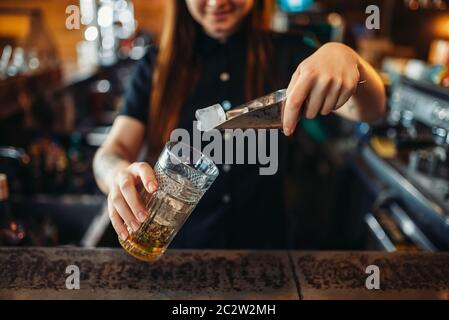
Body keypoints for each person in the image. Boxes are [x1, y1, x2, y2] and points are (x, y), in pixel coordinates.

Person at [93, 0, 386, 249]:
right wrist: (117, 174)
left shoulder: (291, 51)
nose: (218, 2)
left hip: (267, 258)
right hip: (178, 258)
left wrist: (348, 59)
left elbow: (372, 110)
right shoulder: (156, 65)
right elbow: (111, 152)